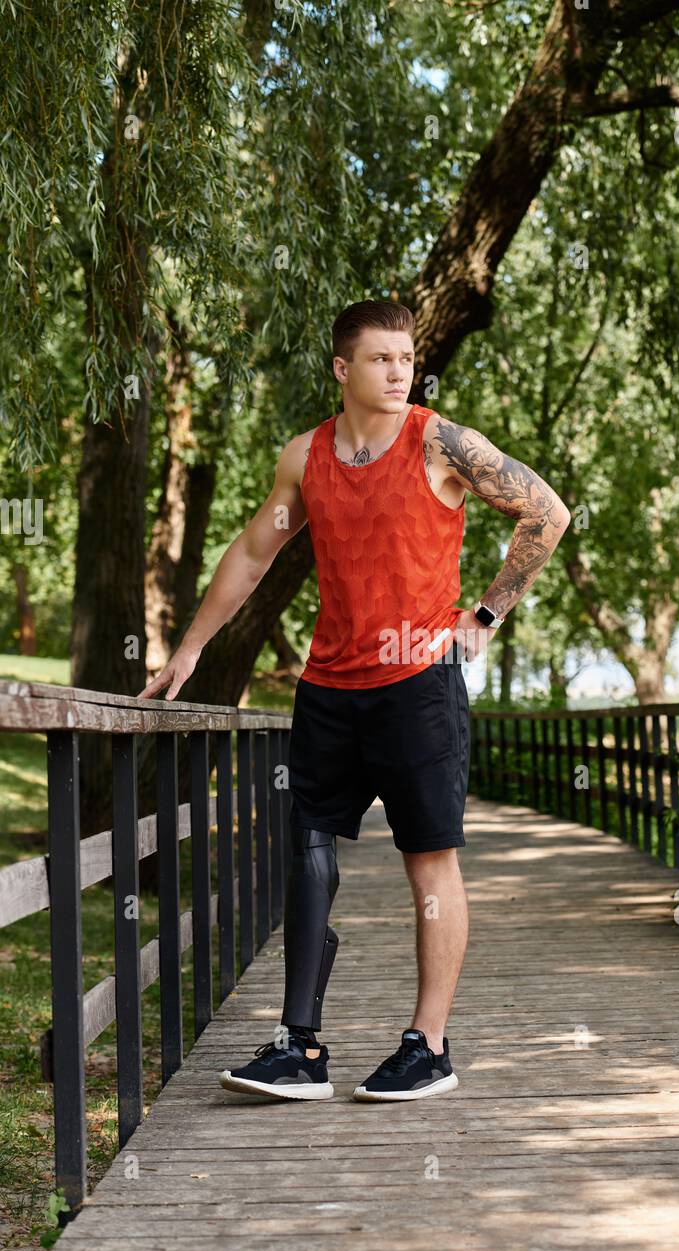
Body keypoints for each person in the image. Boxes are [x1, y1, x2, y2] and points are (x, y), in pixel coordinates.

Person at [138, 298, 572, 1103]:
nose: (399, 371)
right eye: (380, 359)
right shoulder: (304, 458)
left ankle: (428, 1047)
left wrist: (486, 613)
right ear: (343, 369)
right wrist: (191, 647)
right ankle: (298, 1048)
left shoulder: (441, 442)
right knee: (308, 851)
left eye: (406, 358)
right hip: (330, 688)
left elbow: (546, 512)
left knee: (429, 863)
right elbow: (254, 551)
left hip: (419, 687)